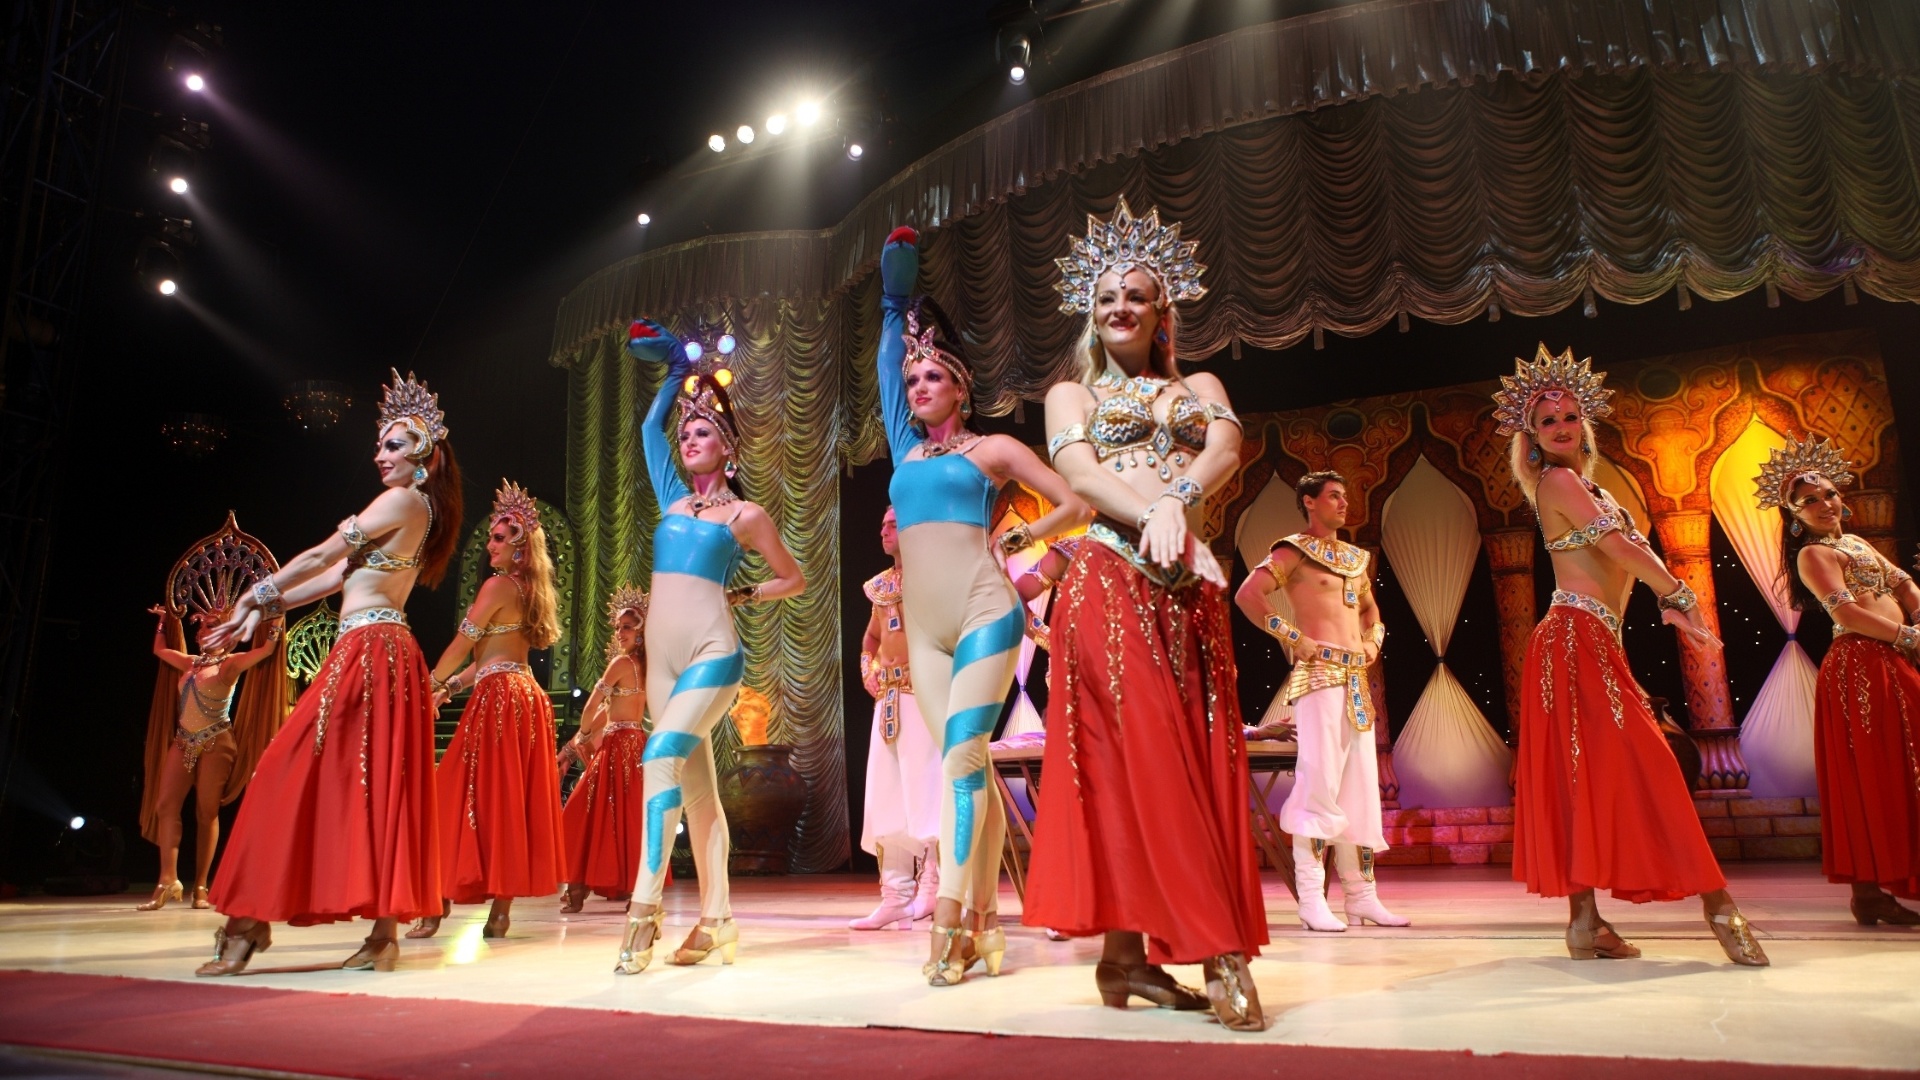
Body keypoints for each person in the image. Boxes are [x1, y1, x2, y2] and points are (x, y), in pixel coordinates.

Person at [1024, 199, 1269, 1030]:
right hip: (1107, 578)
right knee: (1142, 756)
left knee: (1191, 762)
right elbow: (1082, 478)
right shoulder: (1070, 393)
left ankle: (1125, 961)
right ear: (1089, 315)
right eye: (1105, 299)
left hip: (1190, 585)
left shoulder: (1200, 385)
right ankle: (1219, 950)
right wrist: (1149, 513)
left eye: (1136, 294)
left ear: (1164, 309)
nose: (1119, 307)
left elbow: (1227, 446)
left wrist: (1183, 500)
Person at [1498, 344, 1766, 966]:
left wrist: (1666, 601)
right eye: (1547, 421)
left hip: (1589, 640)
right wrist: (1677, 593)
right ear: (1532, 439)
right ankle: (1719, 907)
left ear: (1583, 423)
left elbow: (1618, 556)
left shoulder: (1585, 483)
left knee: (1587, 775)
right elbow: (1619, 550)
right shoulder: (1559, 481)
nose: (1561, 426)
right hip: (1572, 638)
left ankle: (1586, 923)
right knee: (1651, 764)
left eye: (1568, 416)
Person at [195, 370, 462, 975]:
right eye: (380, 444)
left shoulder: (402, 500)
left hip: (371, 651)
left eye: (393, 443)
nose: (379, 454)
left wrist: (252, 593)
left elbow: (321, 553)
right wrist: (258, 605)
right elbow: (328, 579)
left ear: (424, 453)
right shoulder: (410, 510)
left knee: (284, 768)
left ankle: (247, 923)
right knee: (370, 787)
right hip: (375, 649)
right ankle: (380, 936)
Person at [874, 229, 1086, 986]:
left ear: (960, 388)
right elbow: (882, 371)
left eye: (934, 376)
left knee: (964, 759)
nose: (919, 386)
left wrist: (1028, 535)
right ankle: (992, 926)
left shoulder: (991, 451)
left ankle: (953, 920)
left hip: (984, 613)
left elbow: (1076, 500)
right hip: (922, 633)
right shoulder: (905, 453)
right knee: (966, 771)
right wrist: (894, 304)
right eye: (914, 376)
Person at [616, 321, 805, 973]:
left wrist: (746, 596)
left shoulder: (743, 516)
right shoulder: (672, 501)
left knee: (658, 756)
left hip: (712, 655)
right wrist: (672, 377)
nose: (688, 439)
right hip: (661, 666)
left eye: (702, 433)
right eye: (686, 432)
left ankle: (643, 910)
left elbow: (794, 577)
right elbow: (647, 433)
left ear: (727, 448)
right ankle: (717, 922)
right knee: (697, 792)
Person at [1235, 470, 1409, 932]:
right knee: (1320, 783)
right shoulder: (1291, 550)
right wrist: (1292, 636)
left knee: (1359, 788)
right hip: (1317, 677)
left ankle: (1362, 896)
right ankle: (1312, 899)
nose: (1343, 503)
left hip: (1356, 679)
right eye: (1333, 496)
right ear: (1309, 502)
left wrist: (1374, 641)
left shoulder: (1355, 557)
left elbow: (1371, 609)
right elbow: (1248, 595)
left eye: (1344, 495)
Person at [1760, 436, 1920, 924]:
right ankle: (1869, 888)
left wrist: (1917, 617)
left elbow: (1903, 582)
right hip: (1861, 668)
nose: (1823, 504)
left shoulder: (1854, 543)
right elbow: (1847, 612)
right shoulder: (1812, 556)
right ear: (1793, 515)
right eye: (1808, 500)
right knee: (1876, 769)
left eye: (1827, 494)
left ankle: (1870, 891)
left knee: (1899, 764)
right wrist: (1909, 637)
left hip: (1892, 656)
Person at [406, 481, 566, 940]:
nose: (490, 544)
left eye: (499, 538)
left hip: (500, 701)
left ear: (518, 549)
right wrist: (449, 688)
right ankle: (498, 912)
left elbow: (464, 644)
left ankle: (437, 903)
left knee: (455, 793)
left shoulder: (497, 585)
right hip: (526, 697)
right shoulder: (528, 589)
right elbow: (492, 659)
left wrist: (429, 684)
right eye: (492, 537)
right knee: (506, 803)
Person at [138, 603, 282, 910]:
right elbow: (159, 650)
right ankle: (168, 879)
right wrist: (164, 621)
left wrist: (276, 621)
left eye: (209, 625)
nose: (201, 631)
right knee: (165, 806)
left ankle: (201, 886)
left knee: (206, 812)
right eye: (200, 626)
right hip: (183, 742)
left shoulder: (229, 664)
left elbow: (267, 650)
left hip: (216, 742)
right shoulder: (189, 663)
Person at [850, 507, 943, 930]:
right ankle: (894, 894)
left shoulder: (936, 577)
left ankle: (933, 891)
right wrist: (868, 669)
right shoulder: (882, 585)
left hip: (926, 697)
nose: (883, 530)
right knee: (886, 794)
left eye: (892, 524)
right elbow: (871, 638)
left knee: (928, 793)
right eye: (882, 524)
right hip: (887, 701)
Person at [557, 585, 653, 912]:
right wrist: (582, 739)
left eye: (627, 626)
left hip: (614, 748)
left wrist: (581, 735)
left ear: (641, 630)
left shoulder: (620, 664)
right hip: (638, 744)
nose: (620, 632)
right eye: (617, 627)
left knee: (584, 813)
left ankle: (576, 890)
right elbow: (609, 710)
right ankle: (636, 890)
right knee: (631, 817)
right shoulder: (650, 667)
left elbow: (592, 707)